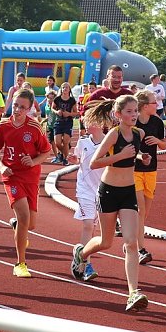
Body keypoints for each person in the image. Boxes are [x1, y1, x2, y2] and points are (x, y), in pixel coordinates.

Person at [71, 95, 150, 312]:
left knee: (131, 243)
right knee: (106, 242)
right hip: (108, 191)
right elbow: (95, 162)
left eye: (136, 111)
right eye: (129, 112)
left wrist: (140, 157)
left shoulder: (139, 133)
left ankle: (133, 293)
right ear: (118, 115)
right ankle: (82, 254)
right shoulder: (113, 135)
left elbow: (132, 152)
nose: (134, 115)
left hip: (128, 192)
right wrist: (122, 155)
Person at [0, 89, 53, 278]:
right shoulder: (2, 127)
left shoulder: (34, 128)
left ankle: (18, 226)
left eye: (22, 107)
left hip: (31, 178)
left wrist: (33, 162)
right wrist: (1, 166)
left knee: (30, 225)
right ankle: (20, 264)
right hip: (12, 176)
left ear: (29, 109)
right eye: (16, 105)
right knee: (25, 218)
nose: (17, 110)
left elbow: (46, 152)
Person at [68, 113, 105, 281]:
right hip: (84, 188)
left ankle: (80, 254)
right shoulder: (82, 142)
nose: (86, 124)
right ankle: (86, 264)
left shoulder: (109, 142)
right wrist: (73, 159)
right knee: (88, 225)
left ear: (101, 123)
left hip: (103, 189)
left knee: (98, 230)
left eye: (91, 121)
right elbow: (77, 159)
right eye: (85, 121)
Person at [133, 90, 166, 265]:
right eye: (154, 102)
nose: (158, 104)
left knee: (145, 212)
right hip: (135, 170)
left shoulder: (157, 122)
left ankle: (132, 239)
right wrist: (140, 156)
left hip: (151, 170)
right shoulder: (134, 122)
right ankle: (140, 249)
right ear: (145, 106)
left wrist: (157, 141)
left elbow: (164, 145)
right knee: (140, 211)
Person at [52, 82, 78, 165]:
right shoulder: (57, 99)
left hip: (68, 122)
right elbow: (52, 108)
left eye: (67, 87)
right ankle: (63, 153)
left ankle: (65, 159)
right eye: (63, 87)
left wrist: (69, 114)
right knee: (58, 142)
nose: (65, 89)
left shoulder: (72, 100)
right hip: (58, 122)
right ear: (61, 89)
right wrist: (57, 112)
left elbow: (76, 113)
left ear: (69, 89)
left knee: (66, 141)